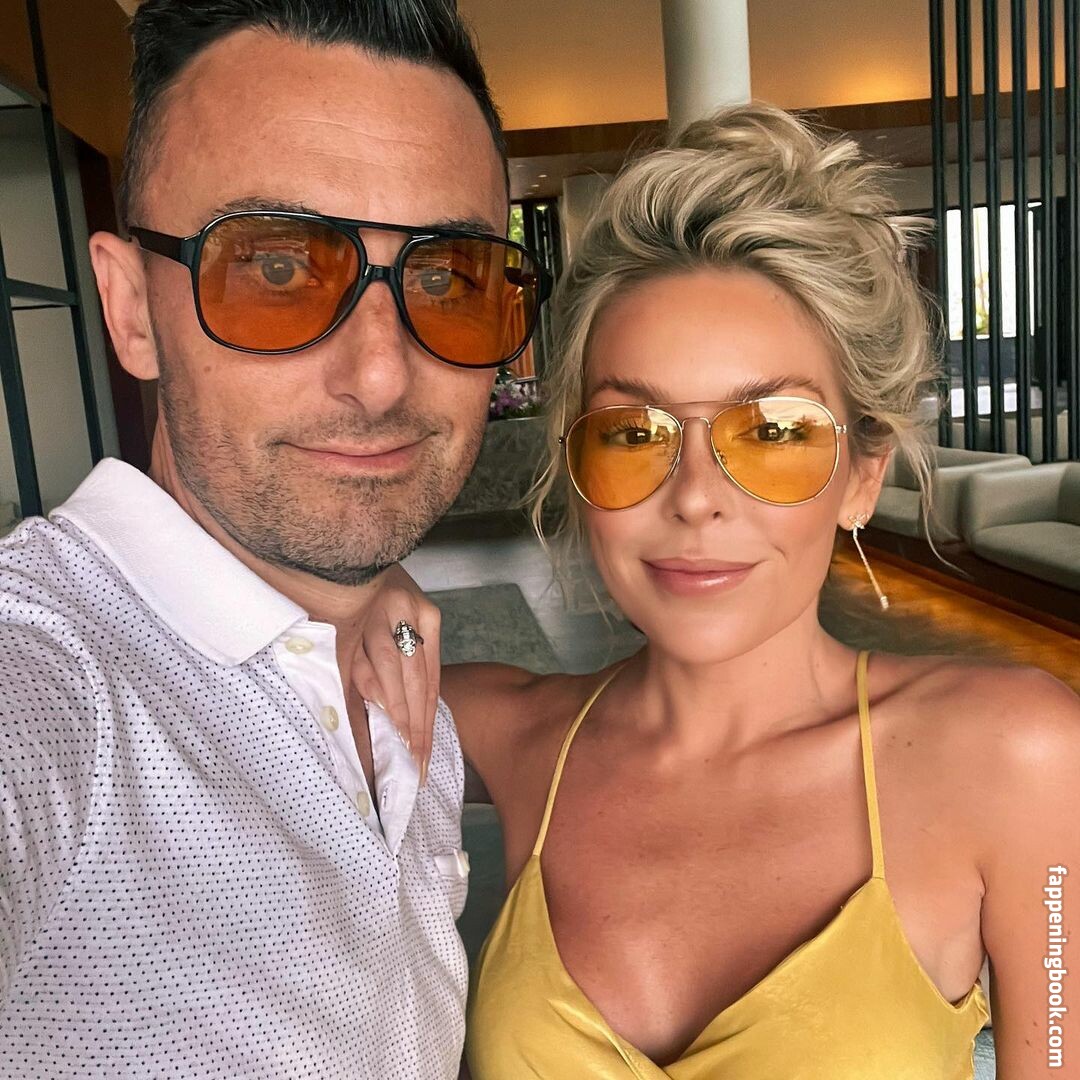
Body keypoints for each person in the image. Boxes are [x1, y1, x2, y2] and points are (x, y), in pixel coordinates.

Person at [376, 104, 1079, 1077]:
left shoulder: (1015, 755)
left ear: (864, 474)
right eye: (634, 434)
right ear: (578, 470)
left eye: (775, 431)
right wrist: (374, 594)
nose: (696, 497)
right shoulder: (510, 734)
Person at [0, 1, 550, 1076]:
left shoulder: (395, 672)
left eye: (446, 278)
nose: (381, 375)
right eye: (277, 270)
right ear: (131, 310)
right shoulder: (46, 688)